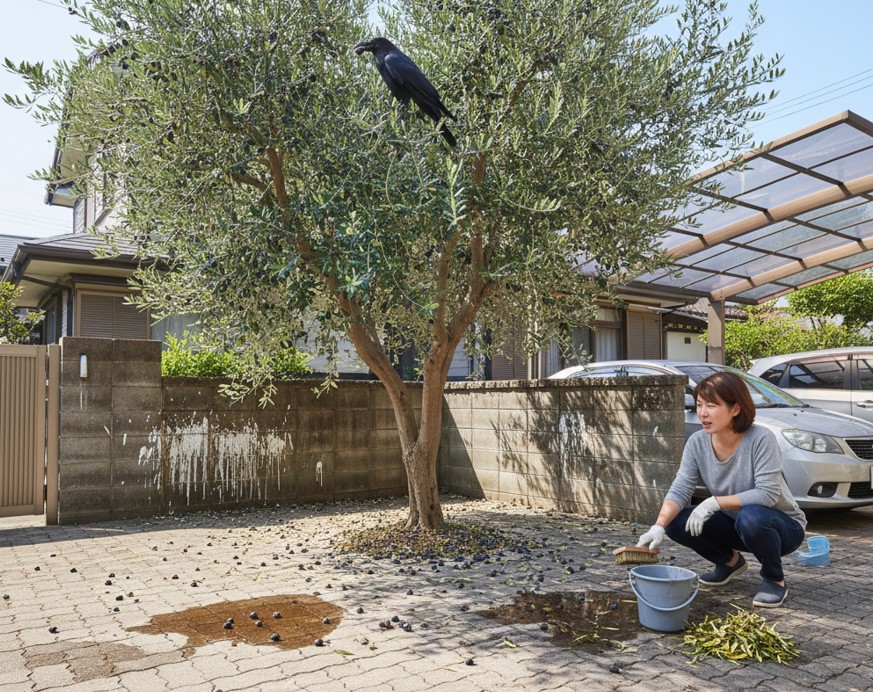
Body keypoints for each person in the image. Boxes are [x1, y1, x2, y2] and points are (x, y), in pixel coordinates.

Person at [636, 370, 806, 608]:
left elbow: (767, 494)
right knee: (677, 521)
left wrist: (713, 502)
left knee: (752, 515)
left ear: (735, 409)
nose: (703, 413)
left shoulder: (760, 439)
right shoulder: (697, 442)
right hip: (734, 523)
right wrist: (658, 526)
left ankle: (774, 580)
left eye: (712, 406)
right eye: (699, 405)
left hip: (780, 527)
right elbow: (681, 487)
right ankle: (730, 563)